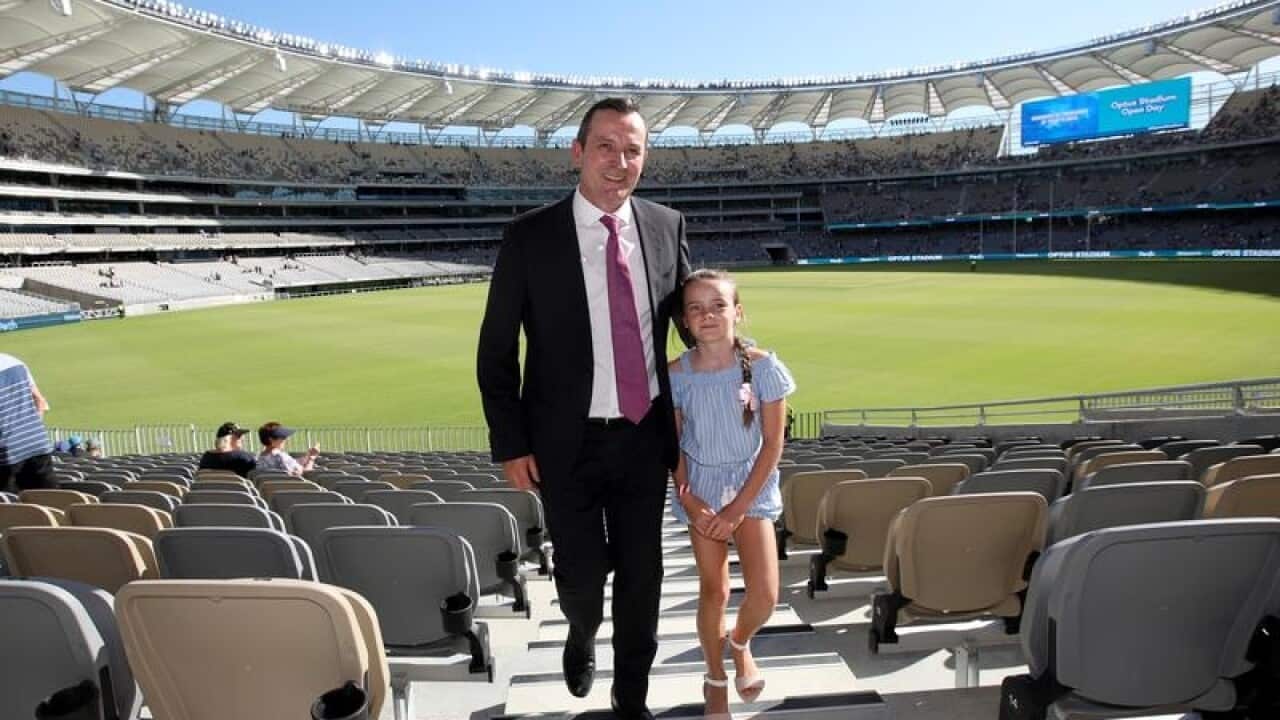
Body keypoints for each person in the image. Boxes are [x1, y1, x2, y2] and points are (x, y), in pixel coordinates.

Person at [477, 97, 690, 720]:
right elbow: (496, 351)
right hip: (562, 442)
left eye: (633, 150)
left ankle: (632, 700)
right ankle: (580, 628)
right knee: (582, 573)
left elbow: (684, 319)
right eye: (606, 147)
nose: (620, 163)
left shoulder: (665, 224)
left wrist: (736, 353)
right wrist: (511, 443)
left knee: (643, 576)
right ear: (577, 151)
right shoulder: (529, 236)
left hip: (644, 435)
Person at [669, 269, 795, 718]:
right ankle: (714, 676)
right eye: (696, 308)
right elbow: (674, 446)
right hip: (701, 488)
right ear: (684, 320)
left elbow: (774, 444)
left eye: (718, 305)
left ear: (737, 312)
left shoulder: (764, 367)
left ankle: (739, 643)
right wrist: (688, 497)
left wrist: (740, 507)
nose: (708, 315)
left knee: (764, 594)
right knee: (714, 590)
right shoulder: (676, 375)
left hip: (751, 489)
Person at [0, 353, 55, 493]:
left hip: (6, 453)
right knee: (50, 502)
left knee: (12, 509)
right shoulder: (15, 362)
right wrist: (33, 429)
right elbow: (40, 402)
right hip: (37, 442)